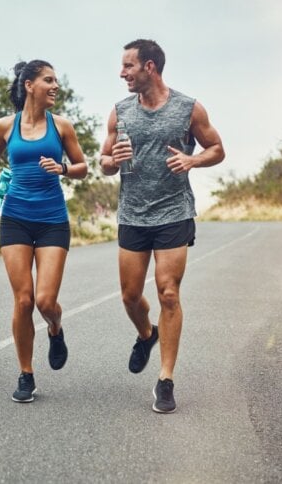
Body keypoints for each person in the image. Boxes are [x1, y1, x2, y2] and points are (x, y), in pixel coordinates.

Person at [100, 39, 225, 413]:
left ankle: (166, 380)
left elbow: (217, 148)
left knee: (168, 292)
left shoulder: (188, 108)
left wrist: (192, 161)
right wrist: (110, 160)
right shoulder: (120, 111)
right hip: (133, 214)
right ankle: (146, 333)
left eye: (128, 66)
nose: (122, 73)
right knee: (129, 296)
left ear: (150, 67)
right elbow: (104, 161)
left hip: (173, 211)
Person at [0, 60, 88, 403]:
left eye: (56, 80)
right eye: (49, 80)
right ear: (30, 85)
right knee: (24, 299)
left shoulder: (61, 127)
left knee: (45, 300)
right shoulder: (4, 125)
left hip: (52, 220)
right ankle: (26, 374)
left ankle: (55, 328)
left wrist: (61, 168)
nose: (56, 86)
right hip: (14, 217)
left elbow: (82, 167)